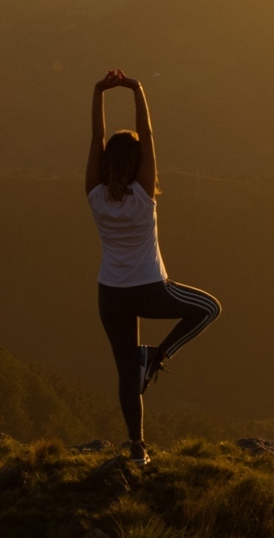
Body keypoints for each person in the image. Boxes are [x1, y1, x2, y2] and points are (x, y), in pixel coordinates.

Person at [85, 70, 221, 465]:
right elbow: (150, 134)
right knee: (209, 308)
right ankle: (158, 356)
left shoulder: (94, 195)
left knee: (127, 375)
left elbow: (96, 138)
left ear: (108, 160)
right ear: (138, 161)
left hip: (110, 295)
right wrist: (136, 89)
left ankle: (137, 449)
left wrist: (99, 93)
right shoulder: (143, 196)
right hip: (149, 288)